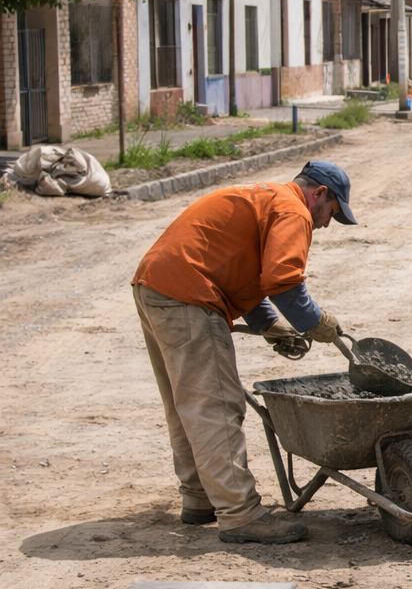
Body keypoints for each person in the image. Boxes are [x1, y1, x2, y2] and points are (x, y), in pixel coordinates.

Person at [132, 161, 356, 545]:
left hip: (157, 284)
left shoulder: (267, 198)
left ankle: (200, 498)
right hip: (189, 294)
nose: (324, 225)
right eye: (331, 214)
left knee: (186, 403)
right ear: (319, 194)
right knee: (216, 405)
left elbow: (243, 270)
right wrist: (316, 322)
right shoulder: (294, 210)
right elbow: (283, 281)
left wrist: (269, 324)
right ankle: (240, 514)